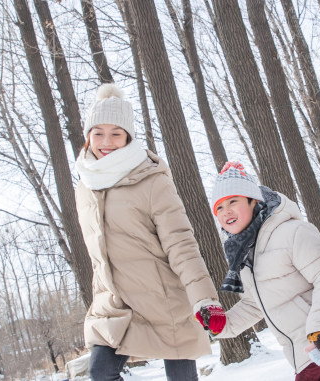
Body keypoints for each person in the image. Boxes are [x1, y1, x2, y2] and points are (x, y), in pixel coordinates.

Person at [75, 84, 222, 381]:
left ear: (128, 138)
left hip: (164, 300)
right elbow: (97, 257)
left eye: (116, 133)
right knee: (100, 373)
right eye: (98, 132)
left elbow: (181, 243)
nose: (106, 141)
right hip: (114, 304)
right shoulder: (85, 187)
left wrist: (204, 299)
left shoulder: (152, 180)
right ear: (87, 136)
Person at [206, 161, 320, 381]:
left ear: (253, 200)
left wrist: (319, 329)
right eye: (219, 207)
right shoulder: (246, 255)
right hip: (298, 354)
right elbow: (254, 304)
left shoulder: (291, 232)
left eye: (233, 201)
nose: (226, 211)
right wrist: (222, 325)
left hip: (315, 344)